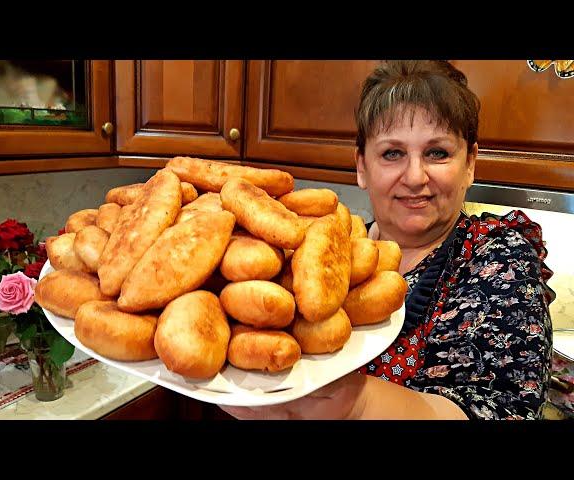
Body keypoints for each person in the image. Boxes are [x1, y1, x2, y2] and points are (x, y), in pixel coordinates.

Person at [220, 60, 555, 420]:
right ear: (362, 166)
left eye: (437, 153)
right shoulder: (329, 255)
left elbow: (502, 411)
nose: (415, 176)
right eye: (392, 153)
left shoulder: (497, 259)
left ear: (470, 163)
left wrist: (355, 404)